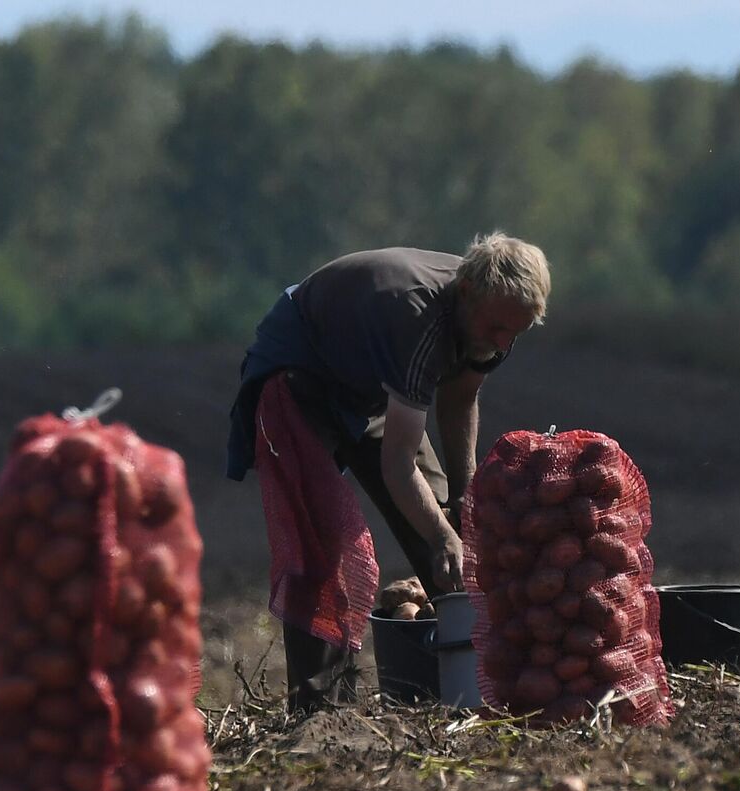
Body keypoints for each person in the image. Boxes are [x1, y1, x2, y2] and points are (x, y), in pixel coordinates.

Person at [226, 233, 550, 712]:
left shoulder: (496, 319)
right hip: (299, 372)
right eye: (497, 328)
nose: (503, 342)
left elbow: (460, 399)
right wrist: (442, 537)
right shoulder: (421, 321)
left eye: (515, 333)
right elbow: (398, 467)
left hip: (370, 386)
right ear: (465, 294)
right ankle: (321, 711)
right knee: (324, 540)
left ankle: (478, 682)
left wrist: (465, 500)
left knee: (449, 519)